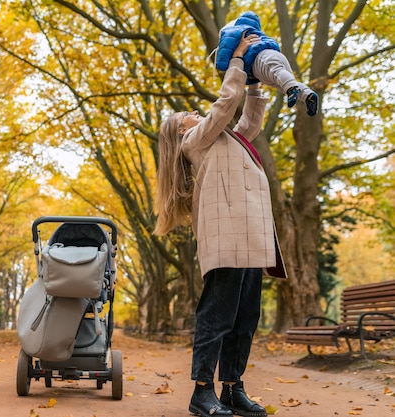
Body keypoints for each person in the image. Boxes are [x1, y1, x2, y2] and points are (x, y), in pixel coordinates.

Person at [154, 31, 287, 417]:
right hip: (226, 237)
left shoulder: (226, 140)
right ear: (182, 129)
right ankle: (201, 391)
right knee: (218, 317)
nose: (196, 114)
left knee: (246, 317)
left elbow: (248, 120)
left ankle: (232, 388)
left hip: (251, 237)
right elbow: (227, 104)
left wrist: (256, 83)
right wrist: (237, 60)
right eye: (189, 115)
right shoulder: (194, 141)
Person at [215, 11, 319, 117]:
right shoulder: (256, 33)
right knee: (280, 83)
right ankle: (307, 95)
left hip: (261, 57)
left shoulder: (233, 31)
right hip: (274, 58)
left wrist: (222, 63)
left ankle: (292, 87)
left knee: (279, 74)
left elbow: (225, 48)